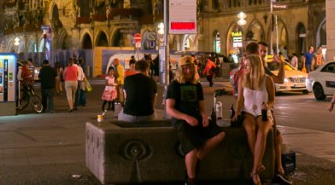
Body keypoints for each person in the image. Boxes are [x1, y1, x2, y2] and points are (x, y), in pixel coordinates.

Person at [165, 55, 225, 185]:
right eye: (185, 68)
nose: (188, 71)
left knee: (220, 134)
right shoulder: (174, 85)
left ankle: (199, 157)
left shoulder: (197, 85)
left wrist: (204, 116)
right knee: (191, 148)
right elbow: (169, 109)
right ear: (181, 70)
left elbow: (201, 107)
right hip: (182, 121)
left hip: (197, 118)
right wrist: (186, 117)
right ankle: (191, 179)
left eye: (191, 68)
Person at [236, 54, 276, 185]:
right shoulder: (243, 78)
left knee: (263, 131)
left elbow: (272, 99)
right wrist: (236, 112)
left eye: (247, 65)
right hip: (248, 112)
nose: (244, 67)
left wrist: (267, 105)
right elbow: (240, 99)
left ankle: (254, 171)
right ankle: (258, 163)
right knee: (250, 128)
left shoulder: (267, 80)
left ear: (255, 66)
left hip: (263, 112)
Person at [118, 59, 157, 123]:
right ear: (147, 70)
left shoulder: (127, 79)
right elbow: (153, 102)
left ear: (135, 69)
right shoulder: (152, 82)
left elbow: (126, 97)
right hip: (147, 116)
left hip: (129, 116)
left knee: (120, 115)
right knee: (155, 113)